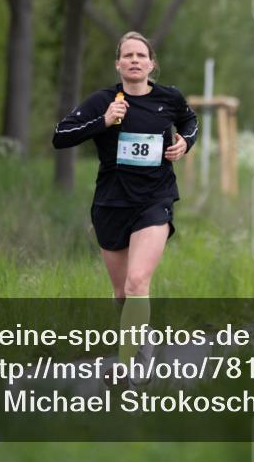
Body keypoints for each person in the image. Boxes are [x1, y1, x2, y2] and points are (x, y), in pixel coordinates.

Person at [52, 31, 197, 379]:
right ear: (118, 64)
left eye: (140, 55)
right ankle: (143, 348)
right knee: (121, 293)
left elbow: (190, 122)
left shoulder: (169, 98)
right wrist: (103, 121)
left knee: (136, 282)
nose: (134, 60)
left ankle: (130, 366)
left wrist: (185, 144)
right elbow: (60, 135)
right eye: (127, 55)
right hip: (111, 203)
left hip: (154, 200)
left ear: (151, 64)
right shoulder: (102, 101)